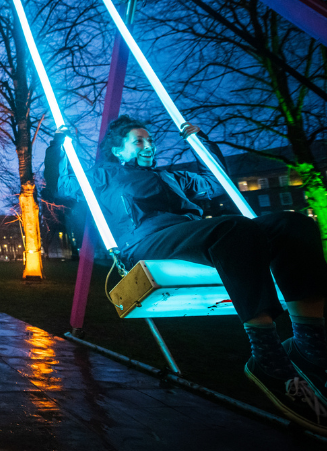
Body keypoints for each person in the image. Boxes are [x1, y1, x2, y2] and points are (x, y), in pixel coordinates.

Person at [45, 115, 327, 434]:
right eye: (138, 141)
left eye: (150, 140)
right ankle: (268, 358)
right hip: (144, 240)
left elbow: (216, 180)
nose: (148, 146)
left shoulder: (173, 177)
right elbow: (61, 184)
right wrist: (58, 146)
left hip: (190, 234)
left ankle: (310, 346)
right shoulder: (103, 176)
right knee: (236, 229)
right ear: (118, 151)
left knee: (294, 226)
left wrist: (201, 143)